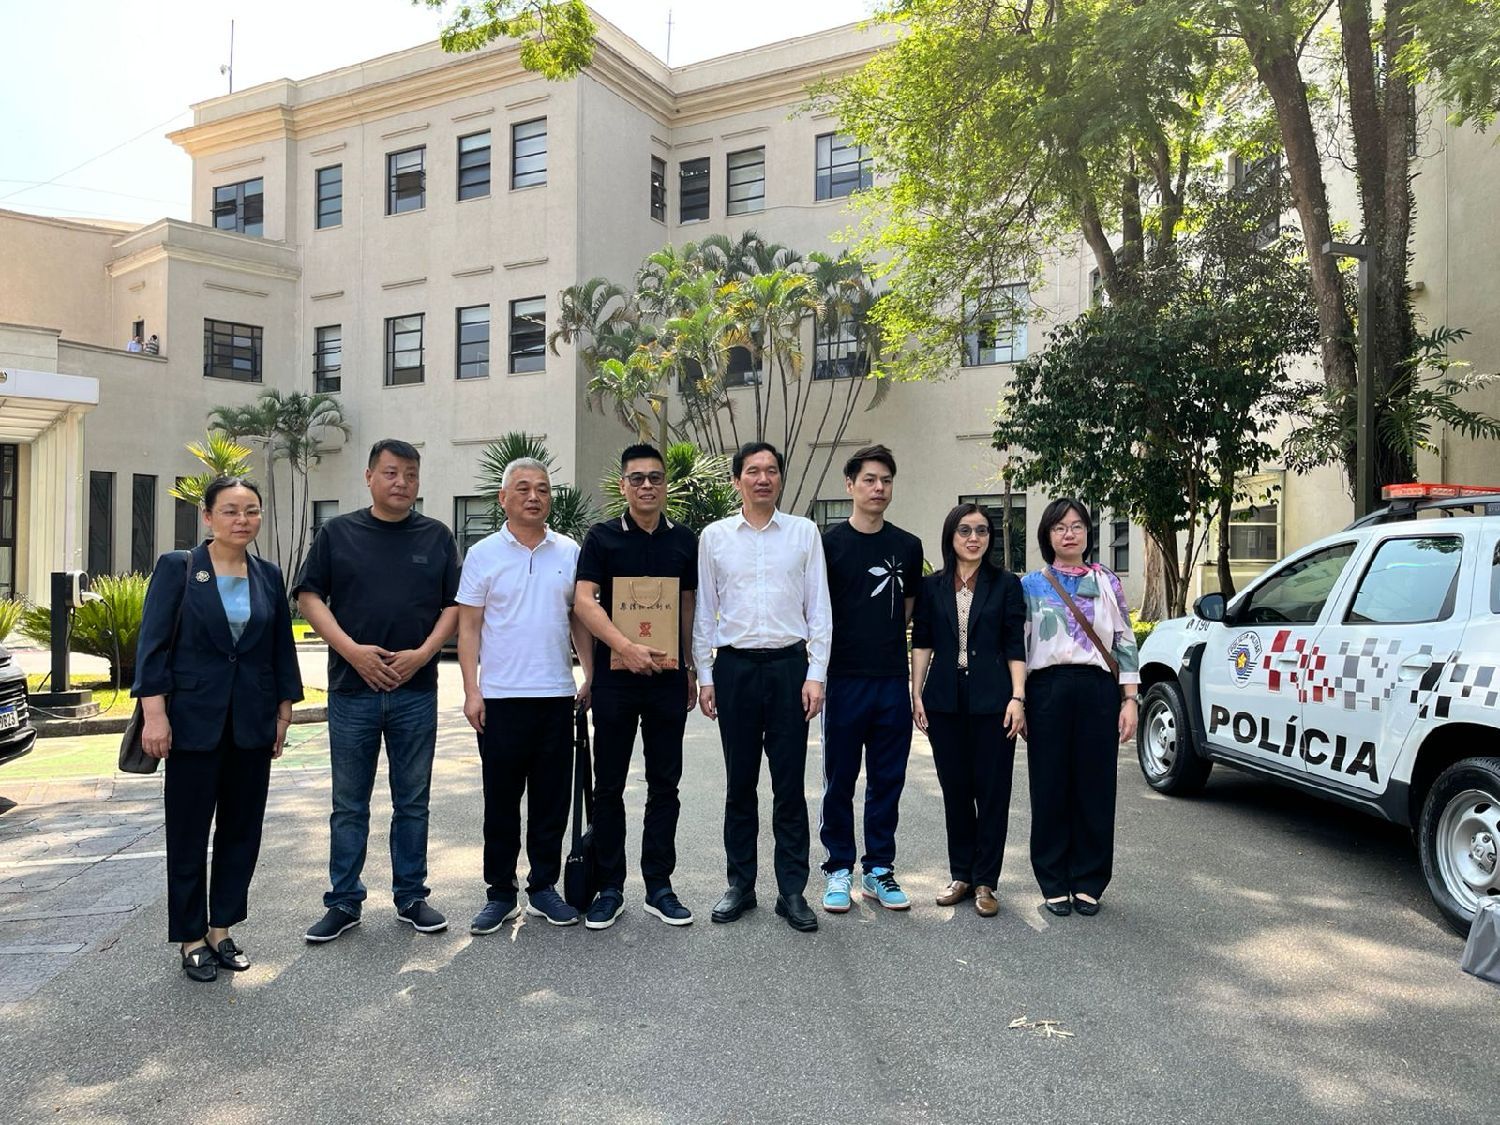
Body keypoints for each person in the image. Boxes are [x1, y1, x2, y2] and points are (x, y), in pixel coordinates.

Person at [133, 476, 302, 981]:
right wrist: (155, 715)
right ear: (208, 517)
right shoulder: (180, 568)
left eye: (251, 510)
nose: (242, 520)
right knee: (188, 832)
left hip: (251, 722)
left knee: (241, 830)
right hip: (192, 724)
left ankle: (221, 929)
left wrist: (283, 712)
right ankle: (190, 936)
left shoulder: (268, 575)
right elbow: (152, 647)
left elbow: (280, 648)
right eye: (230, 510)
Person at [295, 439, 460, 942]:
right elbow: (309, 597)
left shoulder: (436, 536)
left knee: (413, 801)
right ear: (369, 477)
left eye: (410, 474)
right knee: (349, 804)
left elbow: (455, 605)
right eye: (391, 473)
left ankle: (411, 896)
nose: (401, 483)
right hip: (352, 690)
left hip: (416, 690)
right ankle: (344, 901)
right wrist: (352, 652)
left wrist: (423, 654)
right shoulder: (337, 533)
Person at [693, 442, 832, 933]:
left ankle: (792, 891)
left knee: (789, 786)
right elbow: (704, 610)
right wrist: (705, 675)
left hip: (790, 668)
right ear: (737, 481)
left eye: (771, 470)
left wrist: (816, 673)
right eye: (753, 471)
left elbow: (819, 608)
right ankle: (741, 884)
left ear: (780, 479)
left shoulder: (803, 533)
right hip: (734, 670)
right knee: (740, 784)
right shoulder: (714, 537)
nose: (763, 478)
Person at [459, 457, 593, 932]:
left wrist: (590, 675)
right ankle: (500, 893)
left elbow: (579, 618)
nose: (533, 496)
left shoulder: (569, 551)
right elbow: (468, 628)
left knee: (550, 802)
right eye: (522, 488)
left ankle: (542, 888)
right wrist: (471, 691)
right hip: (500, 699)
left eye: (542, 489)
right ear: (503, 498)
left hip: (555, 696)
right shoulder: (482, 555)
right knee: (500, 802)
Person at [572, 444, 699, 929]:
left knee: (665, 785)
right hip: (615, 681)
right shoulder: (601, 538)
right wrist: (623, 648)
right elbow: (584, 602)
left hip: (667, 680)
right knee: (609, 786)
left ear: (665, 485)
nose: (647, 486)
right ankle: (610, 887)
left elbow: (687, 606)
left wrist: (689, 666)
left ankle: (659, 886)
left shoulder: (683, 540)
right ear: (623, 486)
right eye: (637, 478)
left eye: (655, 478)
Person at [1020, 498, 1140, 917]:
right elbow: (1018, 646)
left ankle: (1089, 880)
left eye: (1076, 526)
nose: (1068, 534)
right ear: (1047, 535)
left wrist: (1129, 698)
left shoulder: (1107, 581)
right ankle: (1053, 880)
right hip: (1046, 689)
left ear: (1088, 533)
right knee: (1049, 785)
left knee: (1096, 786)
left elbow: (1124, 640)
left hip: (1097, 689)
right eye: (1059, 527)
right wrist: (1019, 699)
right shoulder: (1030, 585)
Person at [817, 445, 924, 914]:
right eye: (869, 480)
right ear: (850, 485)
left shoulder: (908, 546)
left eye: (886, 480)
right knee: (839, 779)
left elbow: (908, 611)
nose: (878, 488)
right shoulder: (829, 545)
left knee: (887, 779)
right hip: (843, 679)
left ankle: (879, 869)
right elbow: (816, 611)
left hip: (890, 680)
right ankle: (838, 867)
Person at [910, 504, 1027, 918]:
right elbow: (922, 640)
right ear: (951, 536)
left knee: (992, 793)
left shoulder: (1006, 584)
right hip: (944, 699)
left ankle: (986, 882)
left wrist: (1017, 697)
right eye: (964, 530)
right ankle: (961, 875)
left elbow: (1014, 643)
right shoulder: (932, 586)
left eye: (981, 531)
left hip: (994, 701)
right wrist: (916, 693)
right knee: (956, 791)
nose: (973, 538)